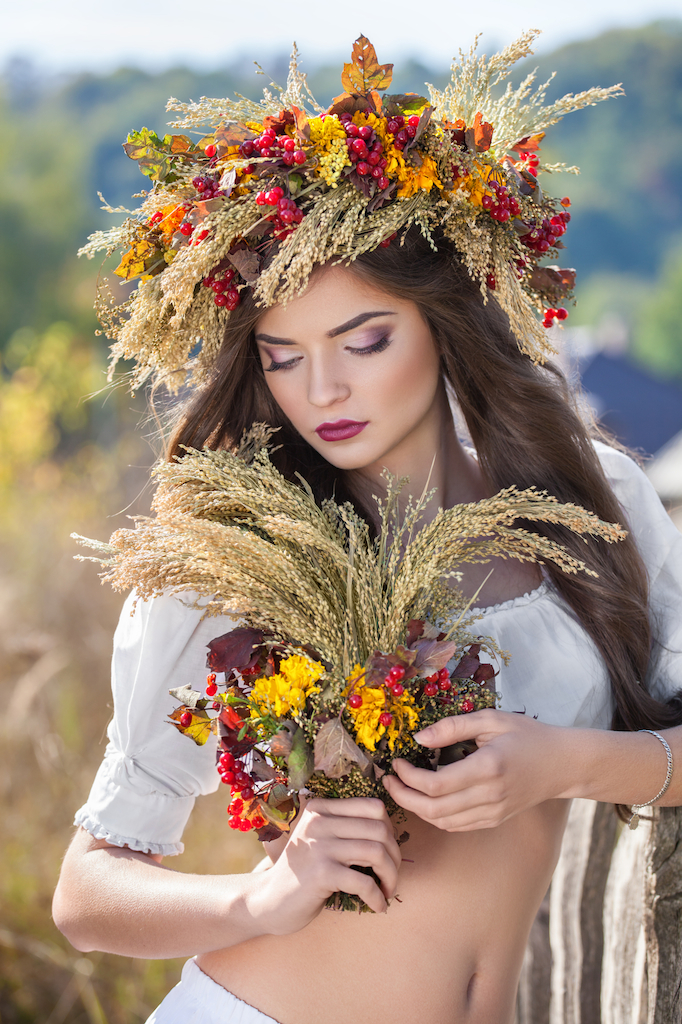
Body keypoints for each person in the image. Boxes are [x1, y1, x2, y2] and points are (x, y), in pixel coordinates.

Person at [53, 35, 682, 1024]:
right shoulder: (240, 555)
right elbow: (87, 893)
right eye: (284, 355)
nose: (325, 390)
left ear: (442, 323)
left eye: (364, 339)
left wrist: (565, 762)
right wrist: (262, 896)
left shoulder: (587, 497)